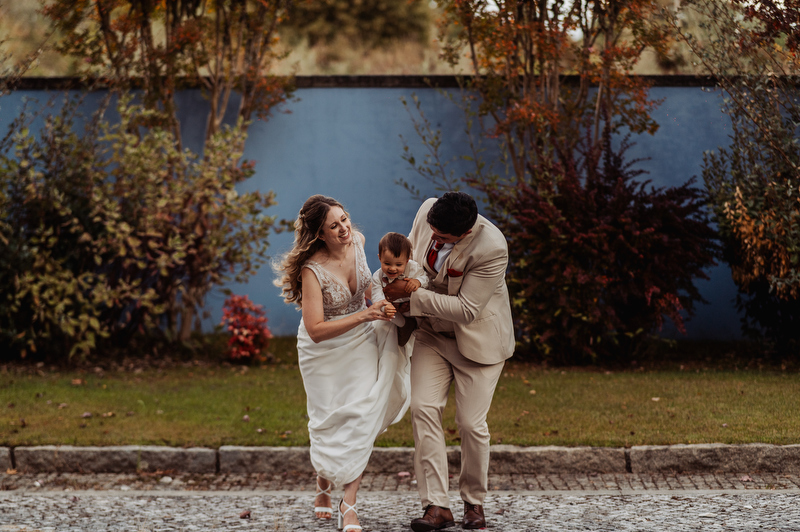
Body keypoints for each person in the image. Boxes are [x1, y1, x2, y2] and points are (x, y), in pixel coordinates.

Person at [274, 194, 411, 532]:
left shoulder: (359, 242)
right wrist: (366, 314)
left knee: (360, 416)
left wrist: (383, 303)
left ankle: (348, 504)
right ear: (320, 234)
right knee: (328, 420)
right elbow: (316, 330)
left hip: (361, 340)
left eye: (344, 219)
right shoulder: (312, 270)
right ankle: (322, 483)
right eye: (333, 226)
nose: (344, 229)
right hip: (323, 352)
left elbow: (369, 290)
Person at [382, 191, 515, 531]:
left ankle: (474, 502)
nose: (434, 238)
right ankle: (436, 506)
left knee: (471, 424)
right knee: (422, 409)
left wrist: (412, 295)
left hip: (479, 344)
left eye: (442, 237)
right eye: (433, 231)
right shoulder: (429, 210)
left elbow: (467, 310)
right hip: (431, 335)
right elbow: (409, 260)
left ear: (465, 232)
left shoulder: (492, 247)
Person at [370, 232, 429, 347]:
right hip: (394, 308)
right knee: (385, 317)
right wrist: (385, 306)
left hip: (413, 306)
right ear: (380, 258)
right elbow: (376, 295)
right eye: (387, 263)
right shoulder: (378, 276)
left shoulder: (414, 267)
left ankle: (421, 332)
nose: (392, 269)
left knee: (423, 318)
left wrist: (418, 281)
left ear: (407, 261)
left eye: (398, 265)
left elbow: (426, 279)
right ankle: (405, 325)